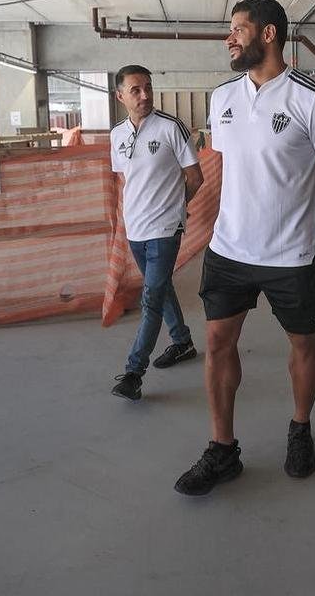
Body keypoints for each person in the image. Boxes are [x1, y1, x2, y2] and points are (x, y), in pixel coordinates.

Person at [175, 0, 315, 496]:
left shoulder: (311, 98)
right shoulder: (223, 97)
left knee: (303, 342)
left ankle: (300, 428)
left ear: (269, 33)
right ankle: (222, 449)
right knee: (216, 343)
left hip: (292, 254)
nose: (229, 39)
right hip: (229, 249)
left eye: (238, 29)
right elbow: (228, 166)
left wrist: (293, 199)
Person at [109, 64, 205, 402]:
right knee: (160, 288)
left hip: (165, 228)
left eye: (148, 87)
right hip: (136, 229)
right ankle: (182, 342)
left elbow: (195, 177)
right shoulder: (117, 135)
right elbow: (127, 181)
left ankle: (134, 373)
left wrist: (177, 208)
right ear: (120, 95)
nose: (145, 95)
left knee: (149, 299)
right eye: (135, 90)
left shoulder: (170, 127)